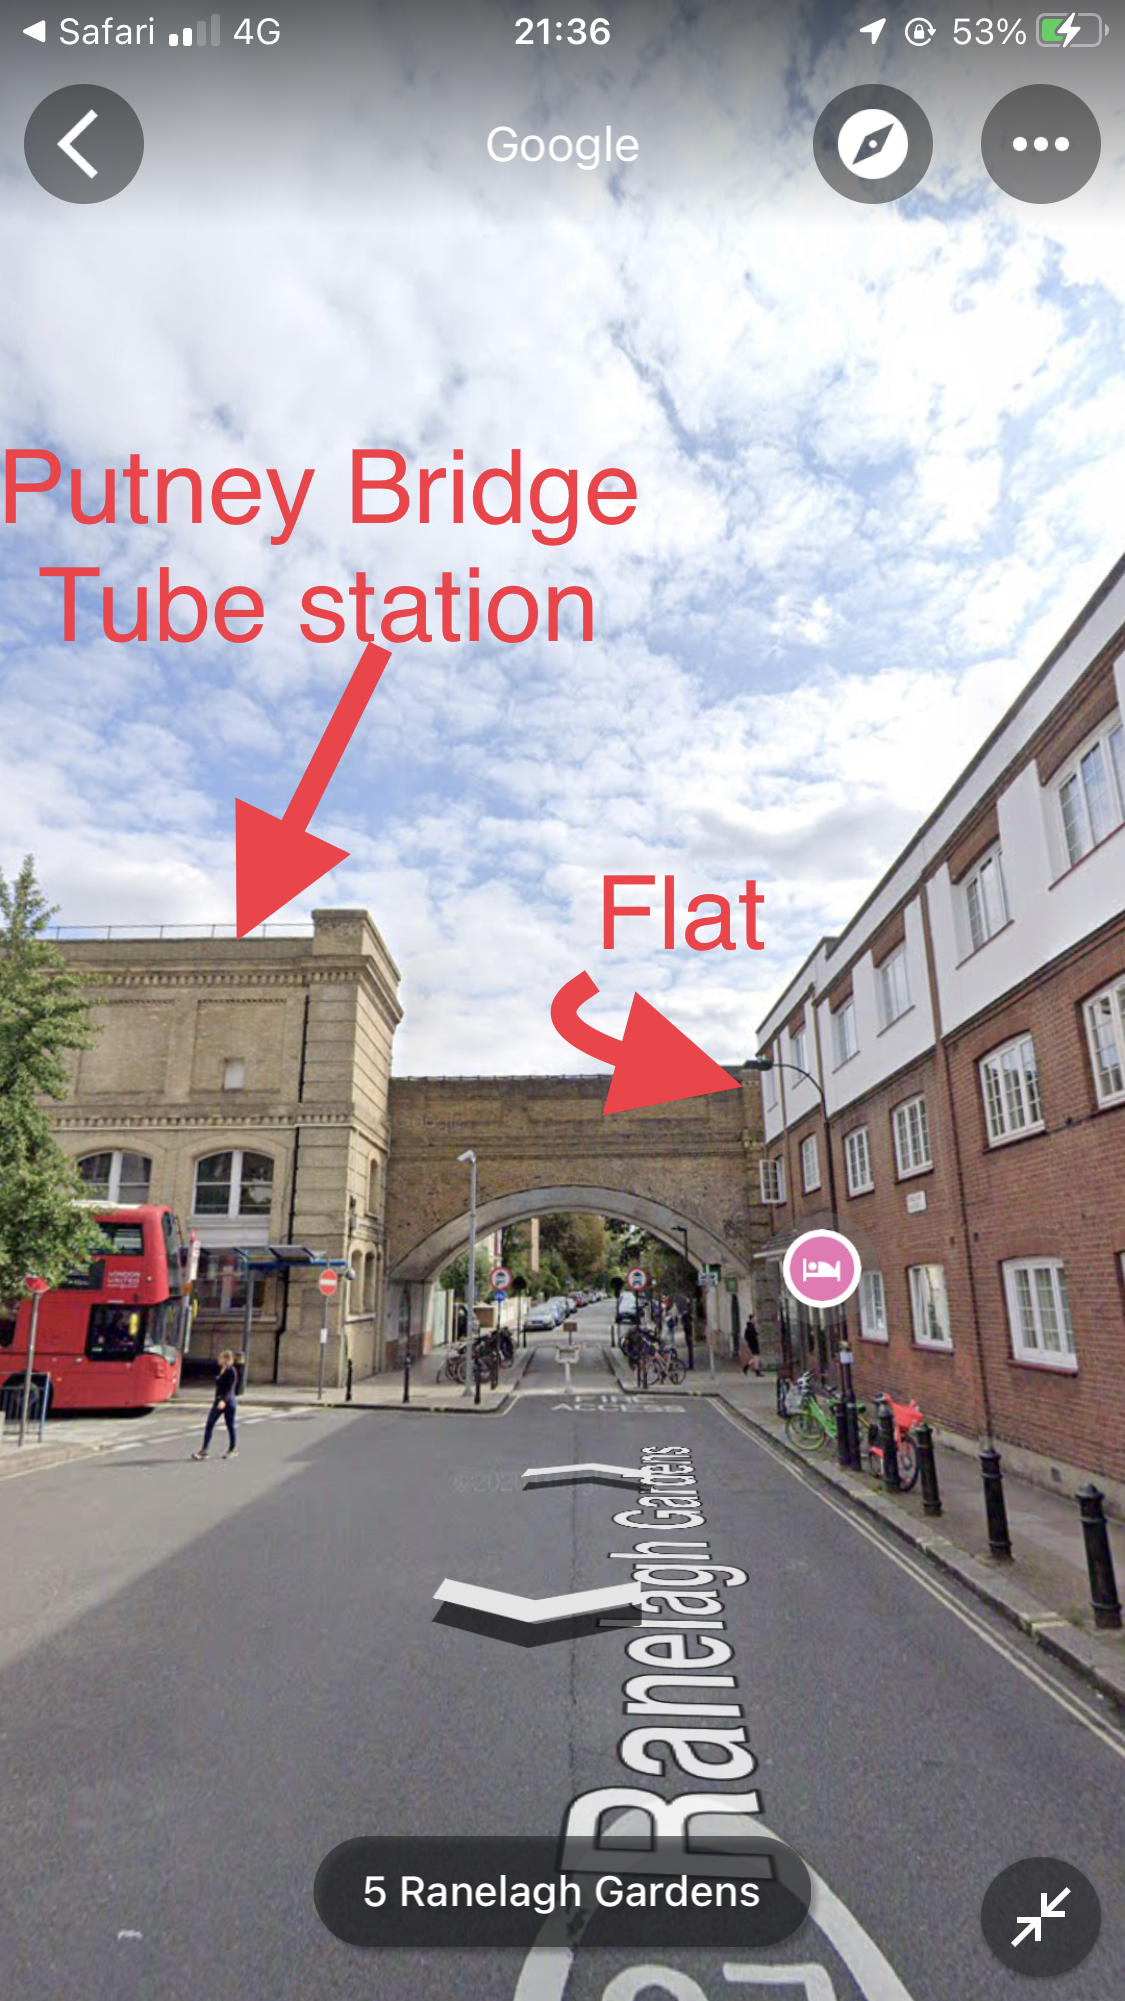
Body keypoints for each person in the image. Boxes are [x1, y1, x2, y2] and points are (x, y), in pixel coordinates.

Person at [192, 1349, 239, 1458]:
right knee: (210, 1423)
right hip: (219, 1400)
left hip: (228, 1402)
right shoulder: (221, 1370)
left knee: (230, 1425)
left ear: (226, 1359)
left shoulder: (232, 1371)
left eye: (221, 1358)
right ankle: (204, 1451)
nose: (218, 1359)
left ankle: (232, 1450)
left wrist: (224, 1400)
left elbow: (230, 1388)